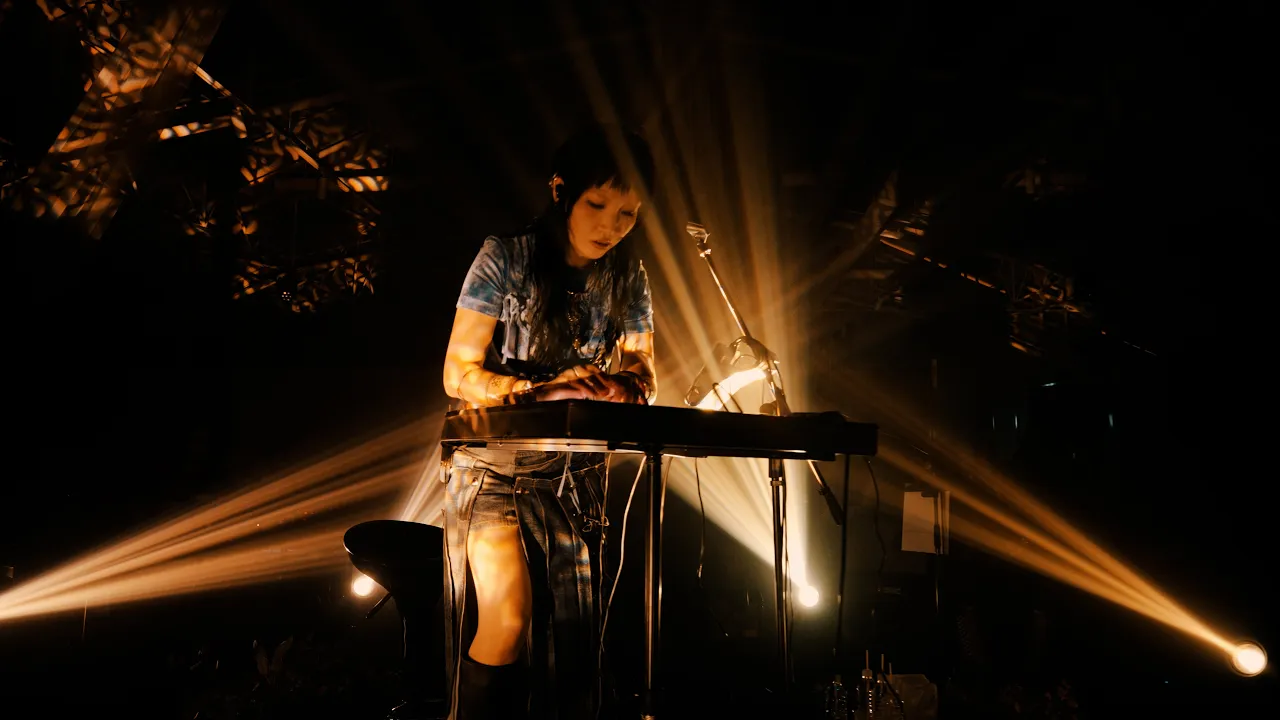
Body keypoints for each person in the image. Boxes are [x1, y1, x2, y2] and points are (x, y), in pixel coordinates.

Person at [439, 125, 658, 720]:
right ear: (561, 191)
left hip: (573, 470)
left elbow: (644, 367)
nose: (612, 226)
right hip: (492, 466)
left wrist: (627, 385)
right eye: (598, 205)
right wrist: (541, 391)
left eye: (628, 214)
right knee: (508, 619)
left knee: (577, 637)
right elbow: (458, 373)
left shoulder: (628, 277)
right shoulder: (505, 257)